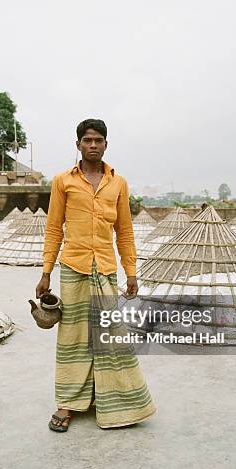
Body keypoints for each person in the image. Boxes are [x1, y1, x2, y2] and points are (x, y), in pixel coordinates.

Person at [36, 119, 156, 432]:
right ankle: (67, 403)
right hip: (73, 268)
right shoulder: (63, 181)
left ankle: (121, 402)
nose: (92, 145)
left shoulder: (118, 183)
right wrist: (46, 272)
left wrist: (131, 271)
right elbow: (53, 228)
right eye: (87, 140)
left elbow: (124, 230)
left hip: (104, 269)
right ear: (78, 145)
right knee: (73, 337)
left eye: (98, 140)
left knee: (109, 336)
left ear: (105, 144)